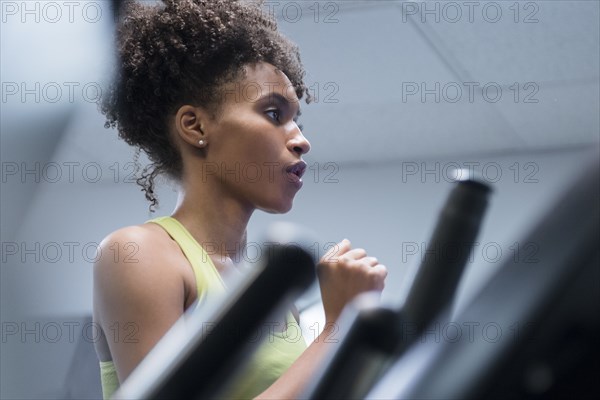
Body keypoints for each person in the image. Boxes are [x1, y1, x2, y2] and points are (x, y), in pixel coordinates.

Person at [93, 1, 388, 398]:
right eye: (272, 113)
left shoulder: (268, 291)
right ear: (196, 126)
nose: (301, 140)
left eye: (297, 119)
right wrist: (333, 330)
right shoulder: (137, 253)